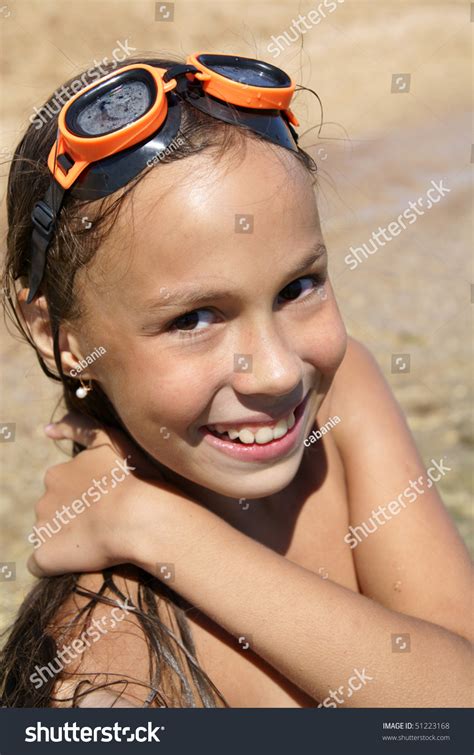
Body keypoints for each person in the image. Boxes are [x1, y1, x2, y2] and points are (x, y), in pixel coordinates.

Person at [0, 52, 472, 709]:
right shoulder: (103, 669)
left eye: (298, 286)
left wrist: (158, 528)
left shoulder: (343, 394)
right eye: (194, 317)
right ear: (63, 337)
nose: (279, 369)